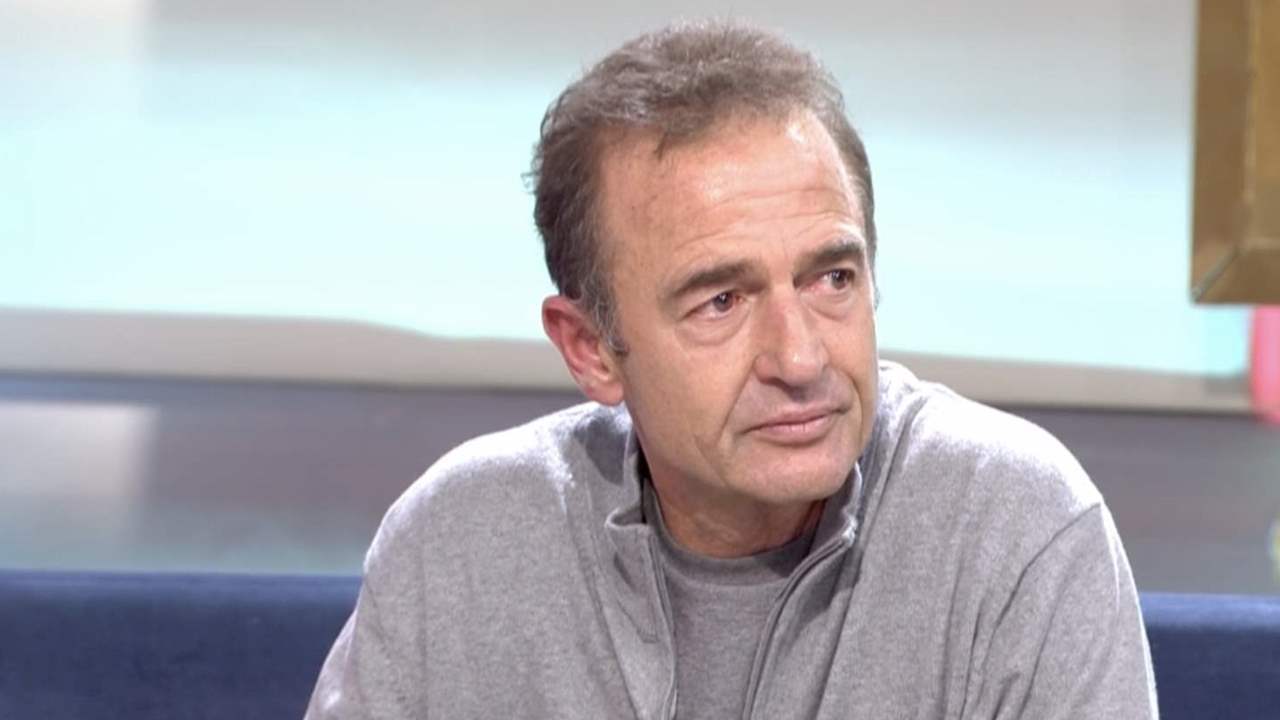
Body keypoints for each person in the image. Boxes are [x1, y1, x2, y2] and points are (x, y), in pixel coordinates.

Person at [306, 20, 1158, 719]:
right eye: (721, 301)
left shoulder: (1015, 526)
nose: (801, 358)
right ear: (590, 348)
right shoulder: (459, 542)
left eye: (832, 279)